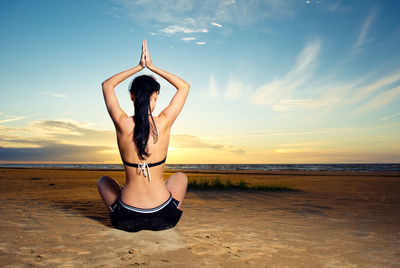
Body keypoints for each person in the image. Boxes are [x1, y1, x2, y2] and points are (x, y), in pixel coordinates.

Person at [97, 40, 190, 232]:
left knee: (103, 181)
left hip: (126, 218)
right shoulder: (164, 121)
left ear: (132, 96)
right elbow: (184, 87)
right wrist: (152, 67)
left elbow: (107, 85)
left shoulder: (122, 123)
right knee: (180, 177)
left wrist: (138, 67)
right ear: (155, 95)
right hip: (164, 215)